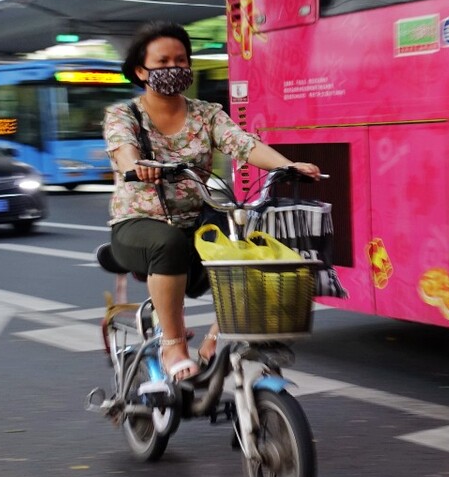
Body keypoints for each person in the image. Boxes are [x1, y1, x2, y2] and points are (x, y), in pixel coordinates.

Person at [103, 21, 321, 382]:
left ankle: (215, 343)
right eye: (163, 61)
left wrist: (288, 165)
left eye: (181, 60)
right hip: (138, 224)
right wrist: (136, 166)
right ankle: (173, 344)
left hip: (197, 219)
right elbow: (123, 149)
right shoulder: (124, 114)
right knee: (168, 243)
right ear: (141, 71)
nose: (174, 68)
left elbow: (243, 143)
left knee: (249, 244)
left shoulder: (206, 114)